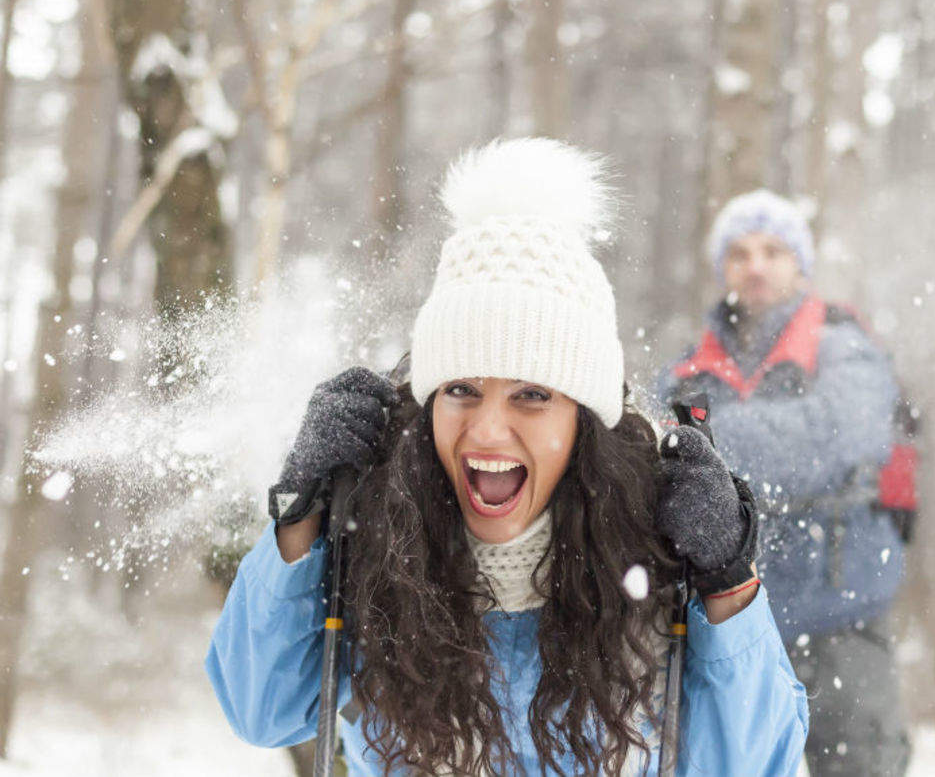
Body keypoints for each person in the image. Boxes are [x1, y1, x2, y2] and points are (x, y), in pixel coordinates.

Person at [206, 140, 808, 776]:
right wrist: (301, 509)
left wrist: (725, 579)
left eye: (531, 395)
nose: (487, 430)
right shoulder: (380, 529)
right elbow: (262, 709)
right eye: (461, 389)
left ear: (583, 418)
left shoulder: (652, 546)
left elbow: (754, 763)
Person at [658, 189, 913, 776]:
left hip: (839, 614)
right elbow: (651, 450)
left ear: (800, 264)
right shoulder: (688, 362)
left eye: (773, 250)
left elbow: (832, 439)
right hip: (729, 620)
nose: (756, 265)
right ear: (722, 267)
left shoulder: (846, 349)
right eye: (740, 252)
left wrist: (707, 445)